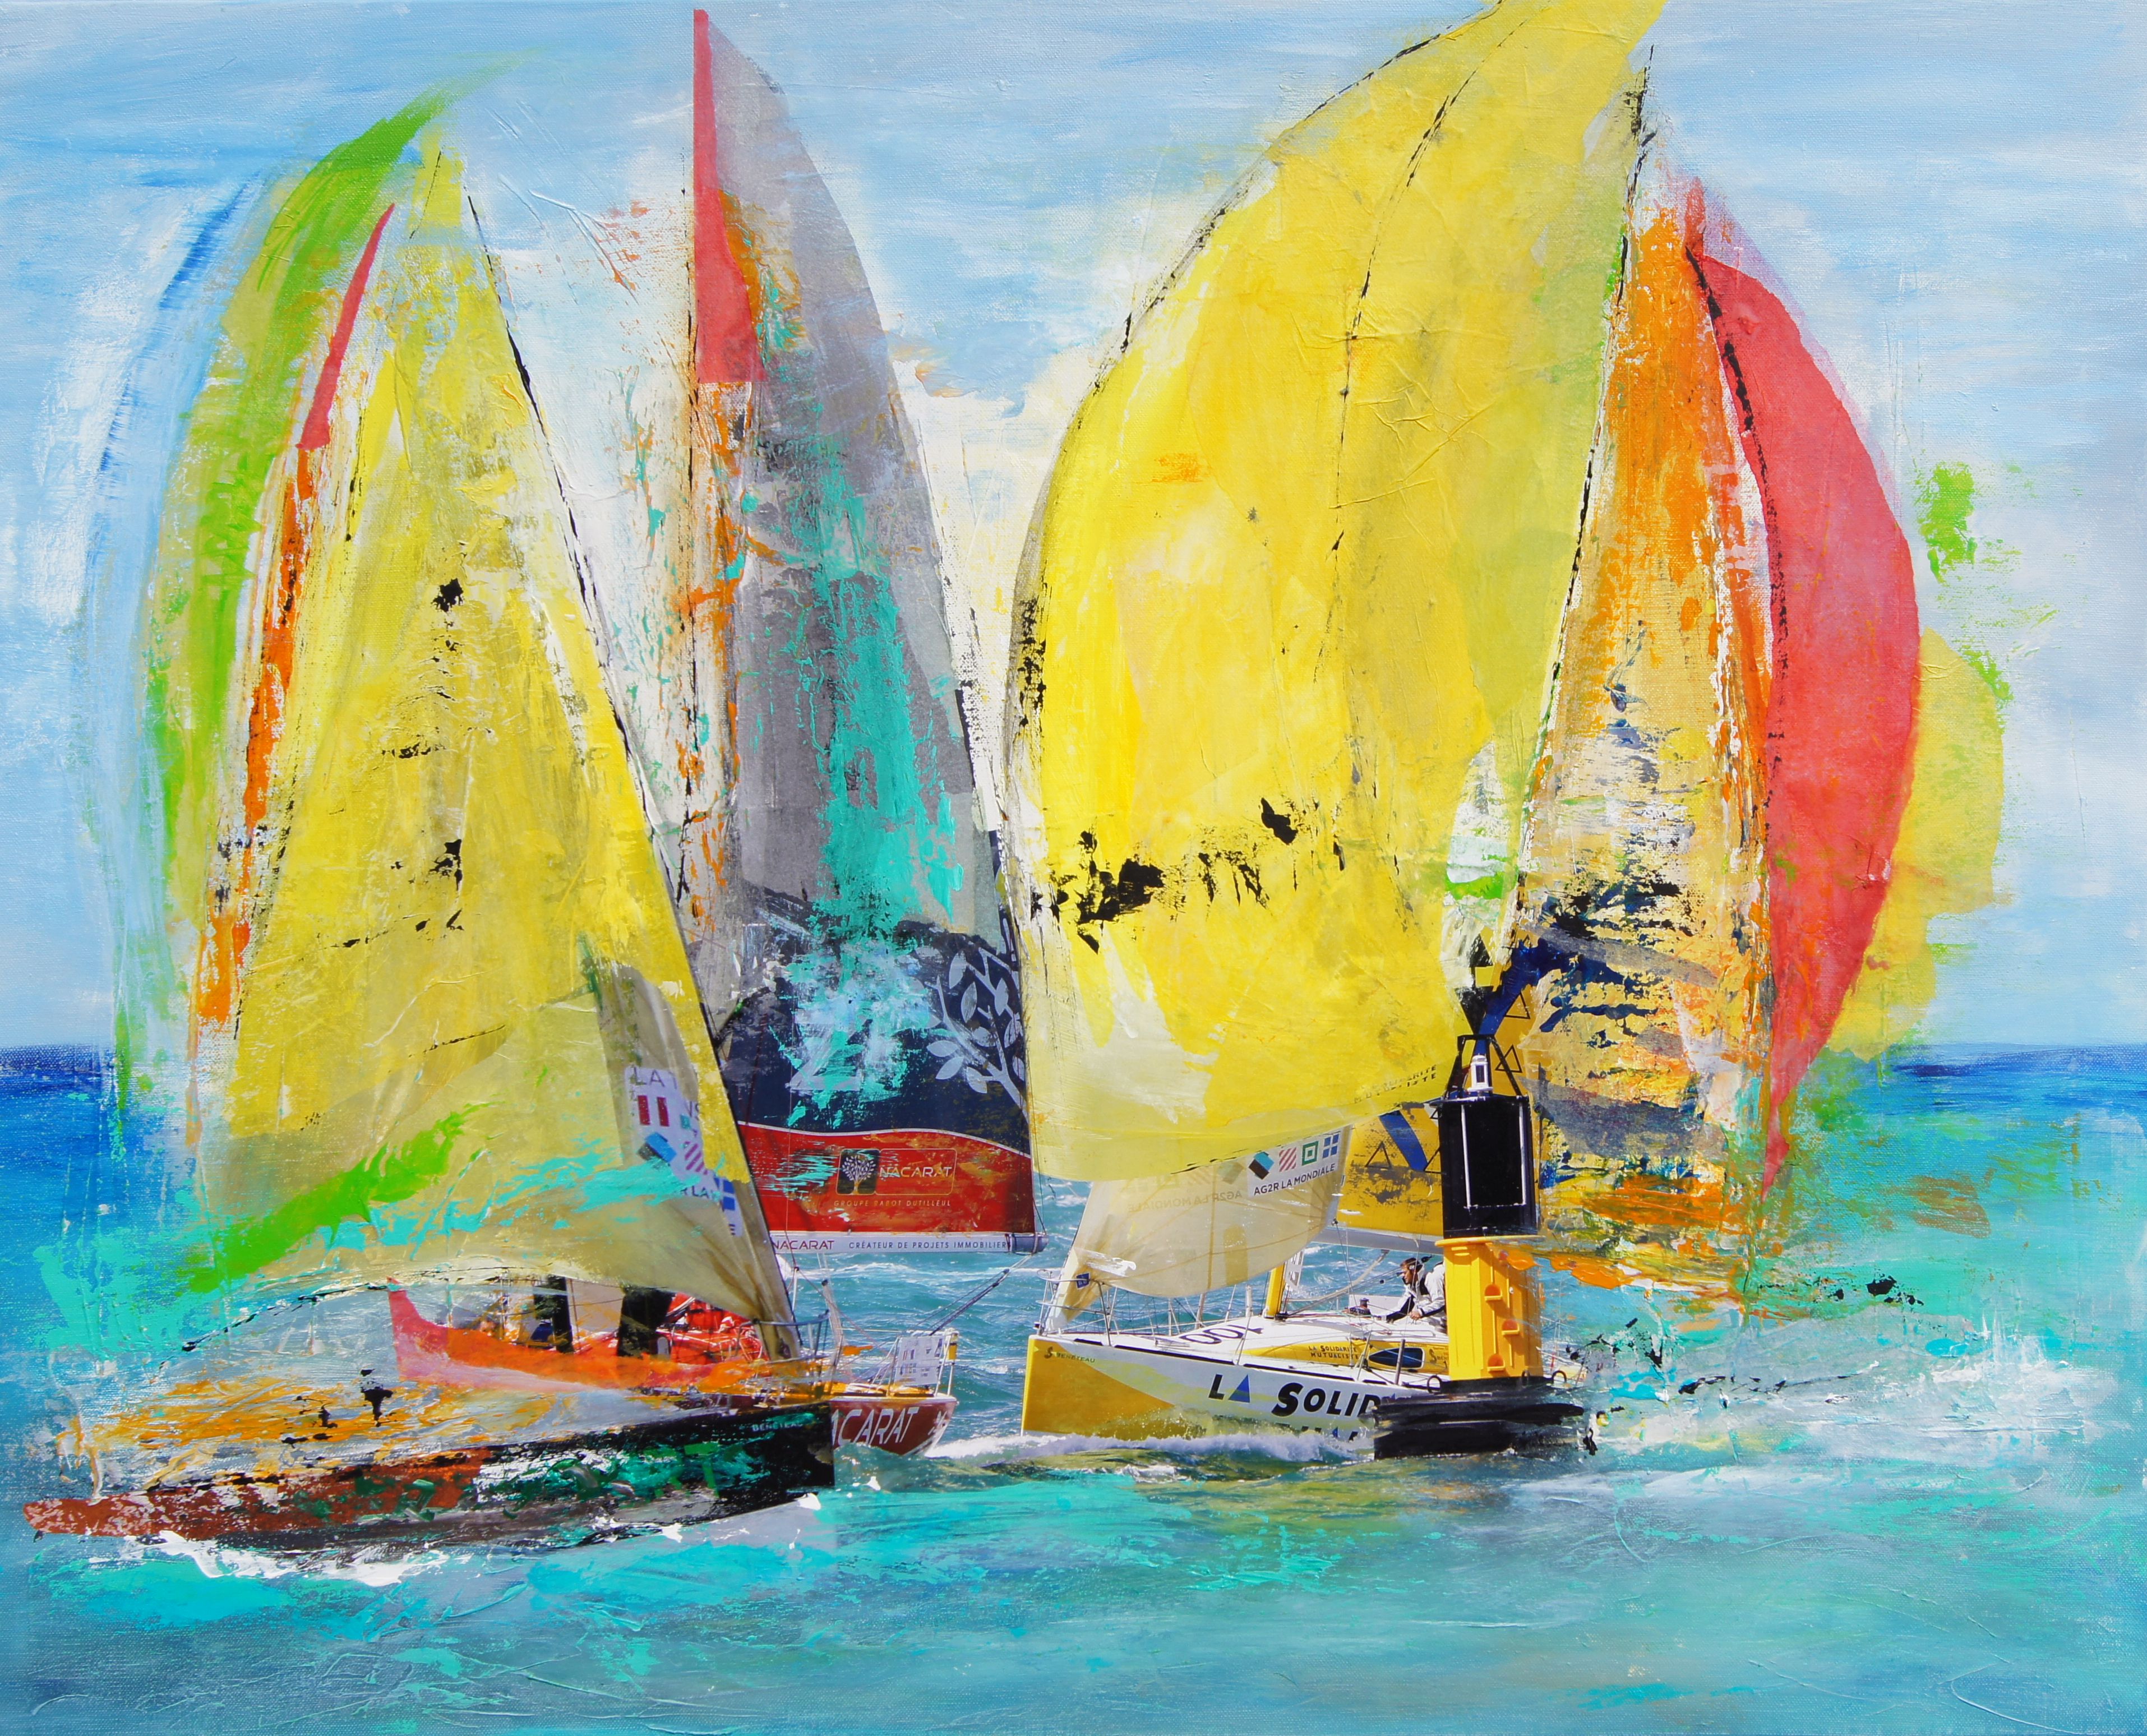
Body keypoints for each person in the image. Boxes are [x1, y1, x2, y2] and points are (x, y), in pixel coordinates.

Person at [1384, 1256, 1446, 1325]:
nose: (1403, 1276)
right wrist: (1384, 1318)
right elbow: (1404, 1310)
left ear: (1413, 1271)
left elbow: (1440, 1303)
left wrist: (1420, 1312)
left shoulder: (1430, 1279)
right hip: (1432, 1319)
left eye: (1405, 1273)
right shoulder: (1412, 1286)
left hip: (1446, 1318)